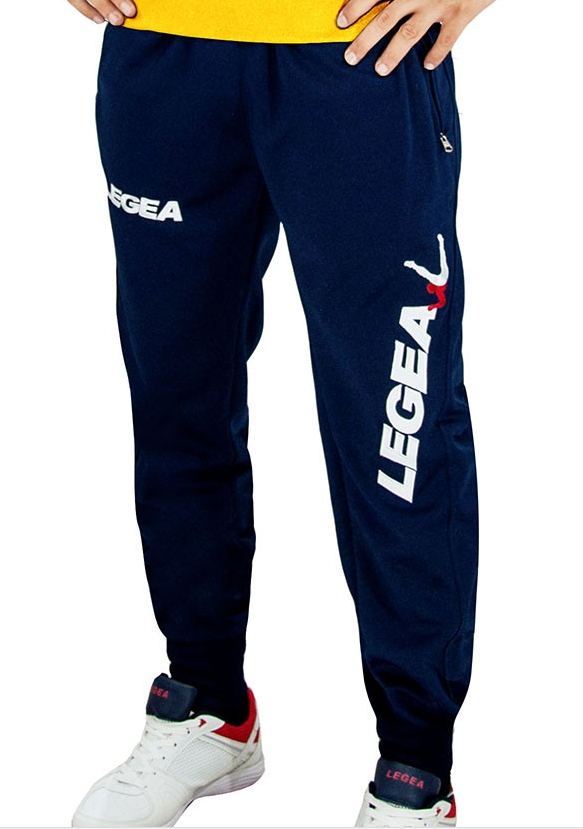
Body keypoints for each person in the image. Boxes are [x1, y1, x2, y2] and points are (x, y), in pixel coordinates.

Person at [68, 0, 495, 826]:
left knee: (393, 425)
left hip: (356, 52)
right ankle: (207, 702)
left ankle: (414, 765)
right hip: (163, 42)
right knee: (176, 392)